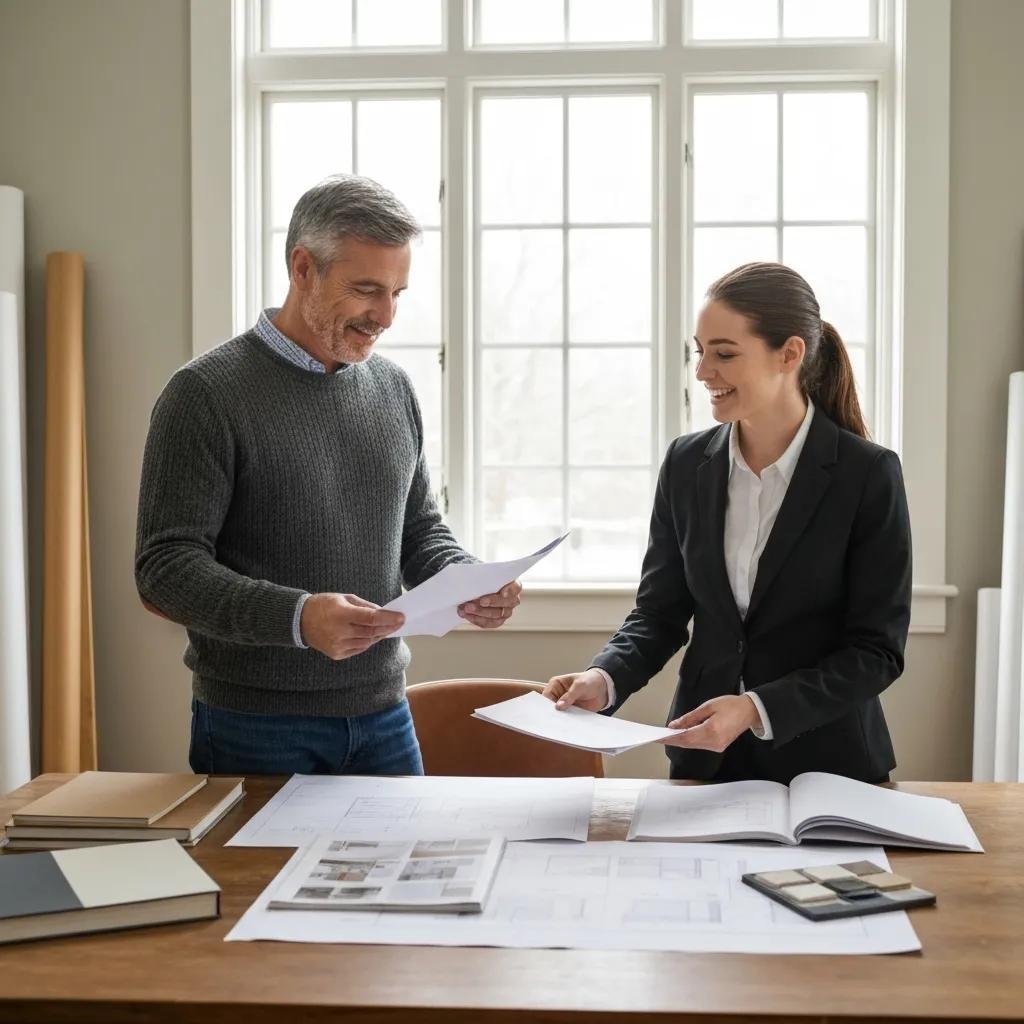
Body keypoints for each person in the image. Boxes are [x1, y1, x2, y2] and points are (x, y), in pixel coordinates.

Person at [136, 174, 521, 777]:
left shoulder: (393, 389)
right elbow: (164, 572)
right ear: (302, 269)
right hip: (256, 726)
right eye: (367, 290)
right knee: (259, 878)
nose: (386, 315)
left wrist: (464, 579)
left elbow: (418, 528)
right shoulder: (204, 395)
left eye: (398, 292)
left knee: (410, 874)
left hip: (385, 715)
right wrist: (297, 618)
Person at [543, 261, 911, 784]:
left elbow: (876, 651)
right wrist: (604, 679)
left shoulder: (868, 474)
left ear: (789, 354)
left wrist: (757, 709)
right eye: (700, 351)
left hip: (831, 769)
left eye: (724, 353)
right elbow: (659, 612)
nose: (702, 371)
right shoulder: (686, 465)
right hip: (704, 766)